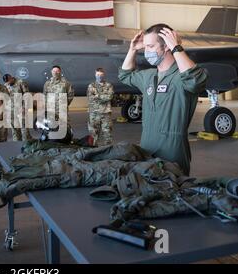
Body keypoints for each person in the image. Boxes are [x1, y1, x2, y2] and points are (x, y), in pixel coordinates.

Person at [119, 24, 208, 175]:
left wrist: (177, 48)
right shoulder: (148, 76)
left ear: (166, 46)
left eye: (151, 46)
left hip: (172, 150)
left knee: (173, 191)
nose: (147, 52)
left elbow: (196, 80)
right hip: (146, 148)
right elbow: (125, 75)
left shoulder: (181, 77)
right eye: (145, 47)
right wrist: (132, 49)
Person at [87, 68, 114, 147]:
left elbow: (109, 97)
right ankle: (93, 150)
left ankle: (108, 150)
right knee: (93, 134)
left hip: (106, 113)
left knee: (107, 133)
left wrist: (97, 96)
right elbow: (90, 98)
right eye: (98, 75)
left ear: (104, 75)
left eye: (101, 75)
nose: (99, 76)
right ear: (95, 75)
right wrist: (103, 97)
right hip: (94, 113)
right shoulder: (91, 86)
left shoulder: (109, 85)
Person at [43, 65, 74, 131]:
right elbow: (45, 95)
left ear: (60, 72)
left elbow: (70, 94)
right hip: (51, 110)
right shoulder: (47, 84)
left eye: (57, 71)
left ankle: (66, 139)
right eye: (54, 71)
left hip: (62, 110)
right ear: (51, 72)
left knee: (64, 126)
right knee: (51, 126)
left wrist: (65, 103)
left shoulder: (65, 83)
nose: (55, 72)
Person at [3, 74, 32, 141]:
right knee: (14, 130)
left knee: (24, 129)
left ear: (11, 78)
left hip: (21, 109)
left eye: (9, 82)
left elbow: (27, 95)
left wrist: (24, 107)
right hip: (11, 110)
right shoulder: (5, 85)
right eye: (6, 82)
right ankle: (17, 145)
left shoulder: (20, 82)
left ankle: (27, 144)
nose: (8, 83)